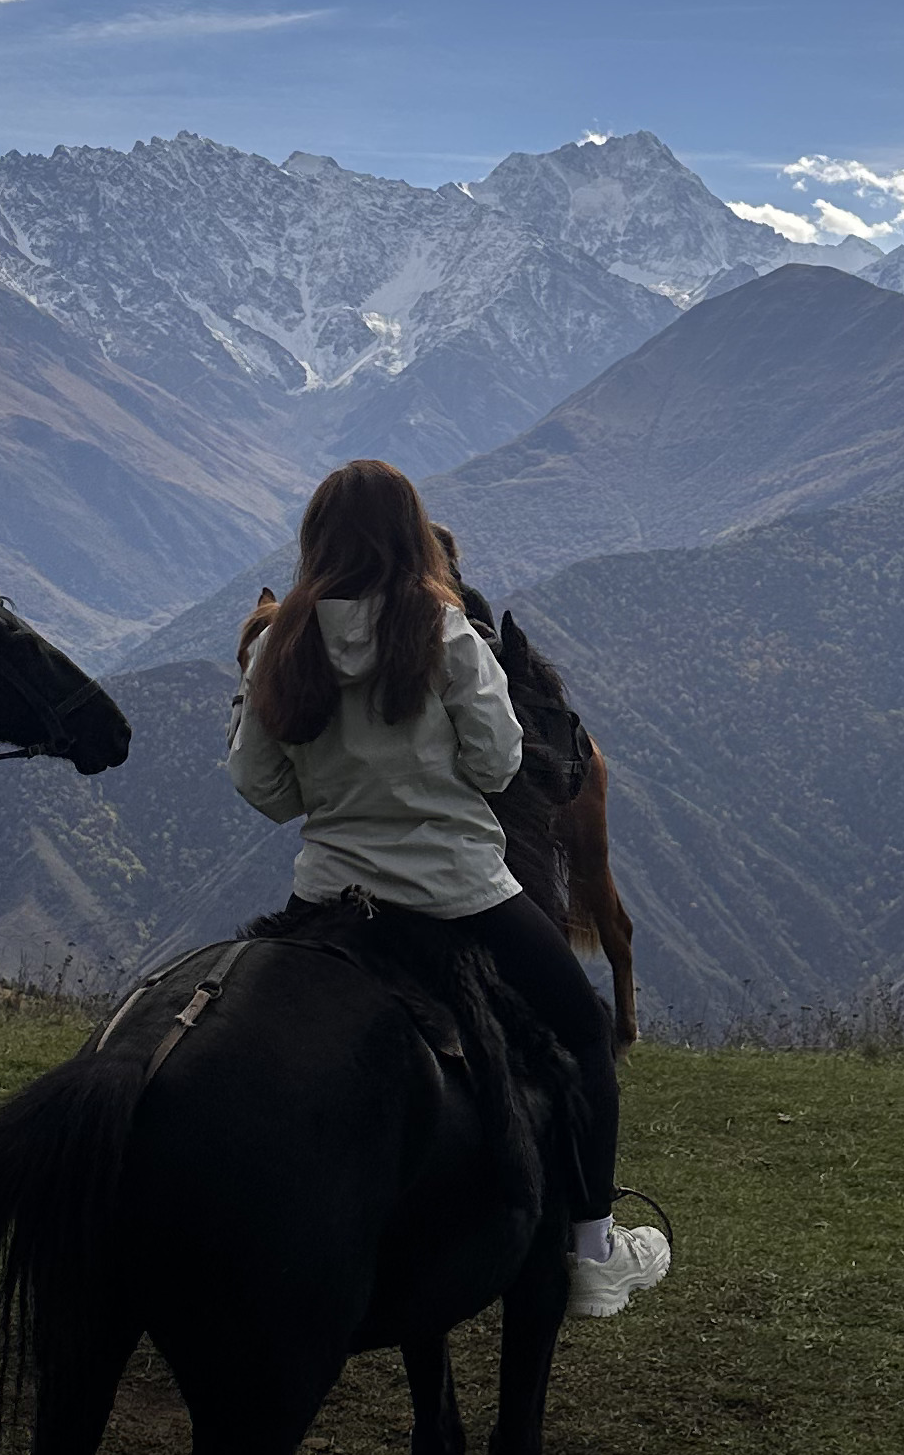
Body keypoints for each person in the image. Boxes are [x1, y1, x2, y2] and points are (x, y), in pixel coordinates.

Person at [228, 458, 668, 1321]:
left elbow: (265, 791)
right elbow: (500, 761)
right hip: (460, 892)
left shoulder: (283, 642)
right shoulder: (443, 629)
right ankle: (592, 1249)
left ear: (315, 541)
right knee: (582, 1033)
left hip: (329, 898)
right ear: (409, 532)